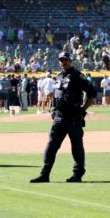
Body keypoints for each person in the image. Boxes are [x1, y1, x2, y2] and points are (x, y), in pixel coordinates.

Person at [31, 52, 97, 183]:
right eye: (61, 60)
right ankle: (45, 174)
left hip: (73, 117)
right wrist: (53, 109)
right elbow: (57, 95)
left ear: (70, 61)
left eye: (65, 60)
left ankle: (77, 175)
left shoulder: (78, 76)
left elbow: (92, 94)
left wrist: (83, 110)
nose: (63, 62)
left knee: (76, 146)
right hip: (59, 117)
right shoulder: (59, 76)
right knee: (51, 145)